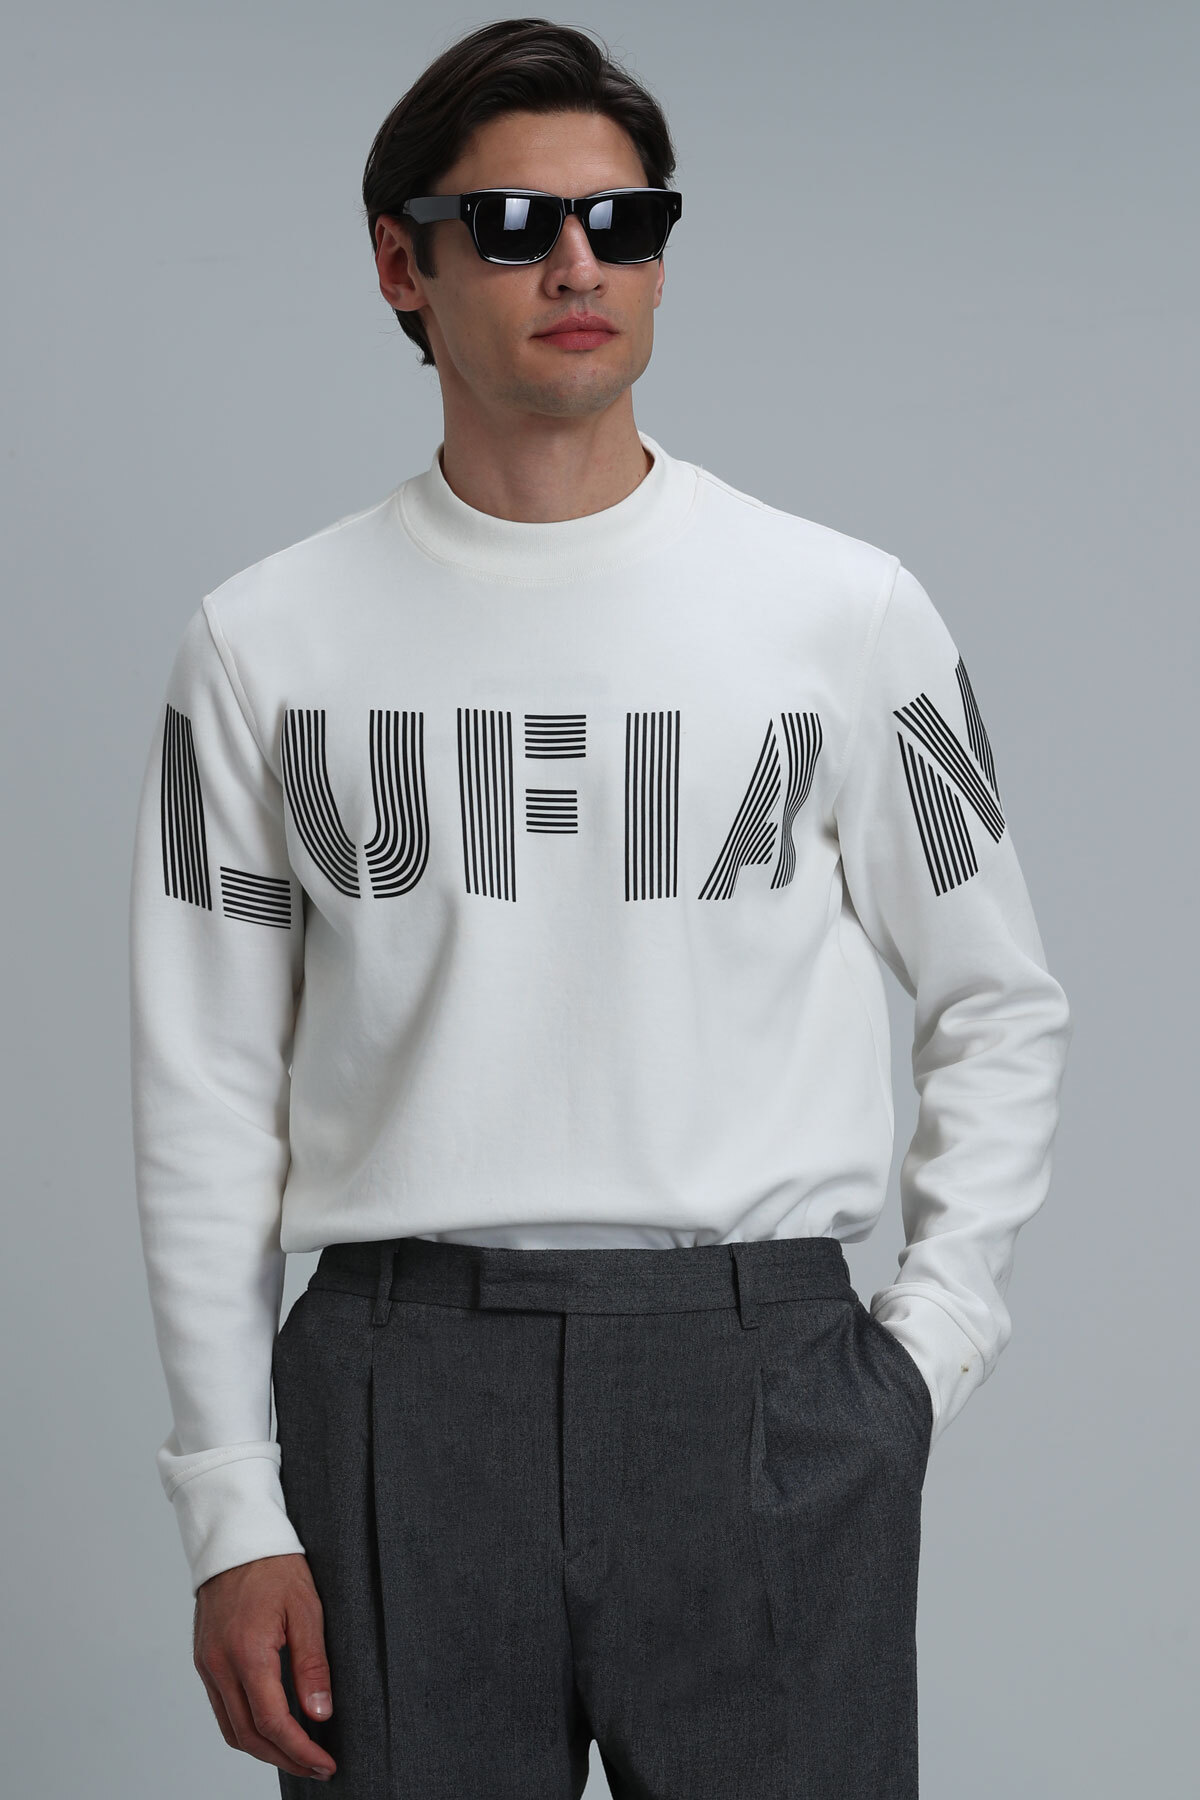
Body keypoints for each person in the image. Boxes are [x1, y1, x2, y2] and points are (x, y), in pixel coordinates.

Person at [127, 17, 1073, 1799]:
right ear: (400, 264)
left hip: (765, 1383)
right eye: (514, 225)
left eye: (624, 223)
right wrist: (230, 1504)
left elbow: (999, 999)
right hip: (399, 1389)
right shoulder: (260, 646)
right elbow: (204, 1089)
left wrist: (924, 1351)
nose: (579, 265)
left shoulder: (847, 614)